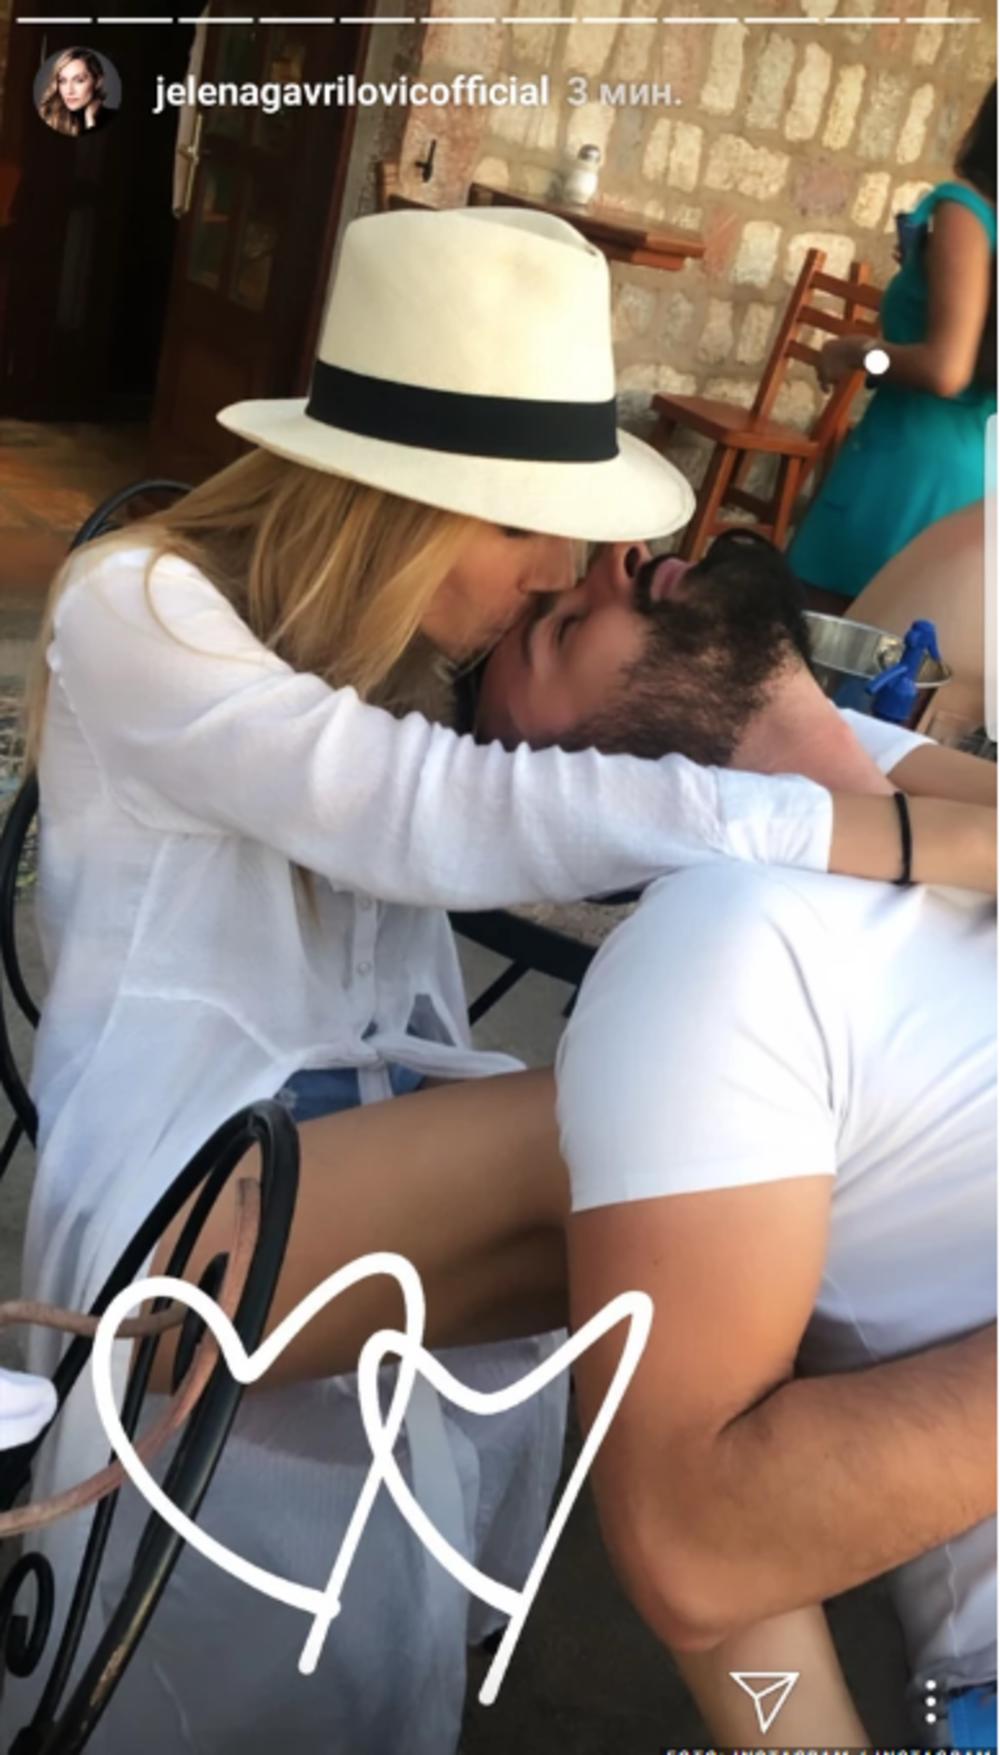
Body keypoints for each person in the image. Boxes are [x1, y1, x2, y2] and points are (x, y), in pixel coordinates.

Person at [7, 207, 994, 1754]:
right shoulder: (142, 609)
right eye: (534, 533)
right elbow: (424, 812)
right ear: (408, 506)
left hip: (354, 1160)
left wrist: (929, 786)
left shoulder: (409, 651)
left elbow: (709, 722)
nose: (565, 566)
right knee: (652, 1142)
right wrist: (904, 843)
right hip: (173, 1214)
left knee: (698, 1212)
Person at [477, 531, 996, 1744]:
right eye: (561, 628)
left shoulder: (933, 819)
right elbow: (691, 1548)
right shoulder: (722, 948)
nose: (619, 559)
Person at [787, 82, 997, 609]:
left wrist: (859, 352)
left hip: (905, 468)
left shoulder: (966, 211)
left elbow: (945, 370)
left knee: (806, 637)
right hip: (973, 483)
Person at [36, 48, 116, 137]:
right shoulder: (48, 117)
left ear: (98, 81)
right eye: (63, 81)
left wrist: (90, 120)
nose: (69, 91)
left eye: (79, 80)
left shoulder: (112, 119)